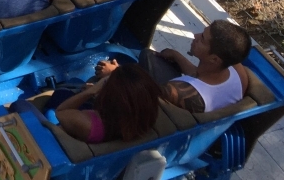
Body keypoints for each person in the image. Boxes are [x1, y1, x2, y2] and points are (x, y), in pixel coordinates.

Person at [98, 20, 252, 115]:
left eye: (202, 39)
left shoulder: (179, 91)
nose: (195, 35)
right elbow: (202, 78)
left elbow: (142, 96)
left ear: (214, 59)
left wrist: (116, 74)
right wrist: (178, 57)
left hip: (162, 116)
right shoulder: (237, 71)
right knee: (148, 55)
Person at [54, 64, 161, 144]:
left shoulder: (89, 126)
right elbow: (132, 93)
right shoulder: (143, 117)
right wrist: (116, 74)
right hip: (113, 126)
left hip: (89, 129)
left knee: (60, 94)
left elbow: (60, 112)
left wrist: (92, 91)